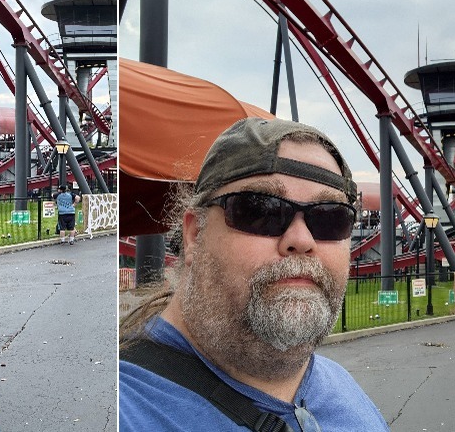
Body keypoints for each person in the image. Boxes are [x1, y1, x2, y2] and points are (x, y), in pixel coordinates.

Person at [119, 118, 389, 431]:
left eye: (331, 218)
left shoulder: (343, 388)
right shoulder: (126, 408)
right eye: (261, 211)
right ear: (194, 235)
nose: (302, 240)